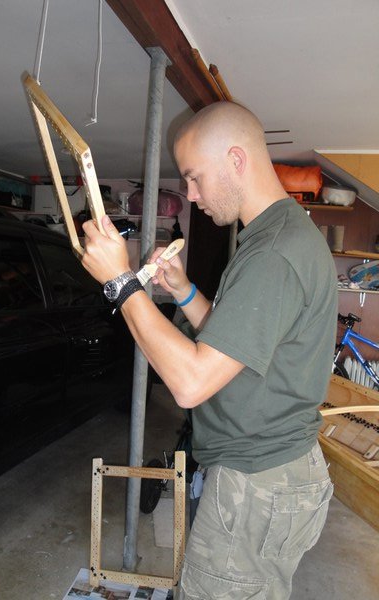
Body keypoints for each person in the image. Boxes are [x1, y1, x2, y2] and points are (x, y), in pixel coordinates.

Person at [81, 101, 337, 600]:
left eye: (194, 178)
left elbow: (192, 382)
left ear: (237, 160)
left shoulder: (273, 255)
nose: (191, 196)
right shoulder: (277, 237)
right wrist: (182, 291)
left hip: (257, 482)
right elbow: (236, 346)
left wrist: (121, 284)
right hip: (274, 471)